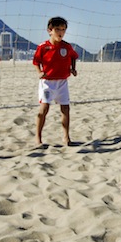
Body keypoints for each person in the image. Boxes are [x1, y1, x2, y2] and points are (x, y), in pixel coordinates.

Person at [33, 16, 79, 146]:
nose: (61, 32)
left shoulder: (67, 47)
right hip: (47, 83)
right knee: (44, 108)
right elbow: (36, 61)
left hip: (62, 82)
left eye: (63, 29)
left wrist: (73, 69)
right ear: (50, 30)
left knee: (65, 109)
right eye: (58, 29)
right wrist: (39, 72)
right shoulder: (43, 47)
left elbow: (74, 57)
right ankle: (38, 137)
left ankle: (66, 137)